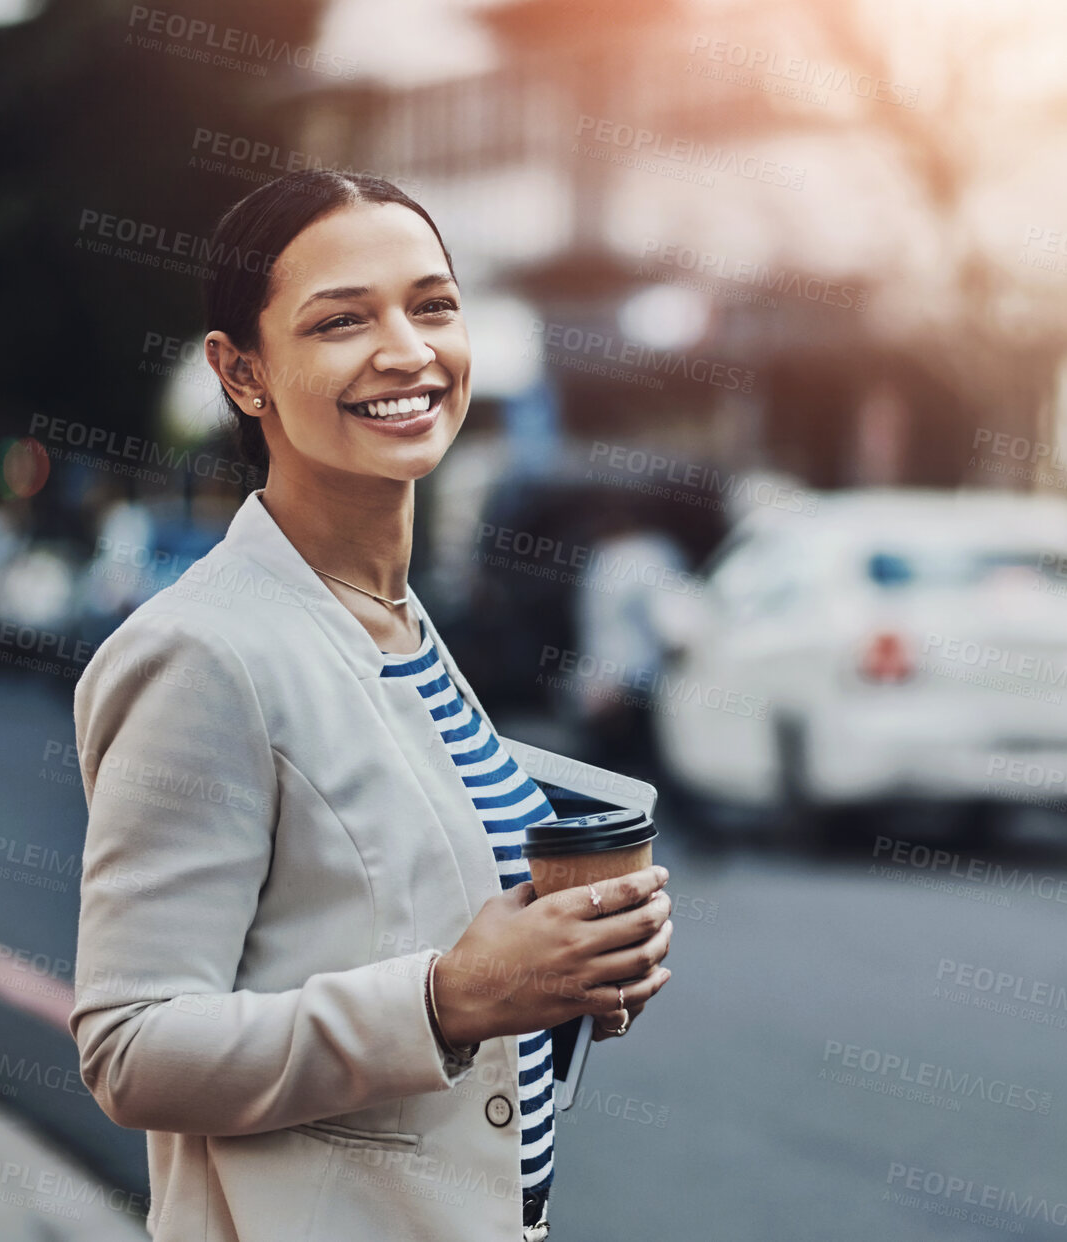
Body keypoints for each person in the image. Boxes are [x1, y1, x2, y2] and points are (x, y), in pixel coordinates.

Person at [69, 169, 674, 1242]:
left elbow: (417, 933)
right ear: (241, 372)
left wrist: (566, 972)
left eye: (431, 305)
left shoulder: (395, 621)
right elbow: (131, 1049)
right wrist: (447, 1003)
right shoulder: (201, 652)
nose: (405, 350)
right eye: (342, 320)